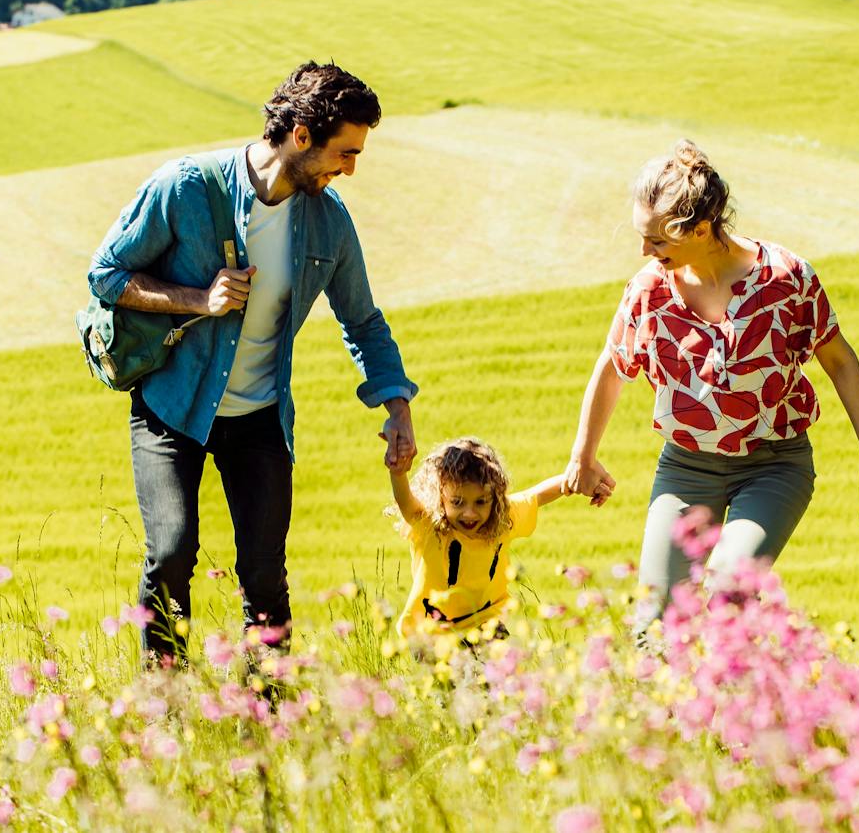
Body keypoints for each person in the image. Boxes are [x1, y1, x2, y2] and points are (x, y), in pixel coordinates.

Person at [87, 61, 419, 665]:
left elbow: (363, 322)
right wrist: (197, 299)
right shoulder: (186, 187)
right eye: (344, 153)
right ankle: (165, 703)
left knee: (264, 574)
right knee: (172, 552)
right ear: (300, 136)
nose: (350, 169)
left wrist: (396, 404)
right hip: (173, 405)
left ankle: (268, 711)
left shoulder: (329, 221)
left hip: (260, 417)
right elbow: (106, 275)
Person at [564, 139, 859, 628]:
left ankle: (748, 697)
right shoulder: (648, 291)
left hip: (774, 467)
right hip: (687, 467)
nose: (644, 252)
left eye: (657, 241)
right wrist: (582, 457)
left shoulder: (786, 279)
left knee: (725, 596)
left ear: (700, 229)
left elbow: (840, 361)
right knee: (656, 622)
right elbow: (612, 366)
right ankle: (677, 705)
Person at [387, 438, 570, 647]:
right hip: (431, 634)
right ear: (440, 498)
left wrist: (575, 478)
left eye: (480, 502)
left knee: (498, 677)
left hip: (488, 625)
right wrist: (398, 472)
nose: (469, 513)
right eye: (457, 502)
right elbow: (406, 502)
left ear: (495, 498)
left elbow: (537, 496)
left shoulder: (502, 519)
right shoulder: (430, 527)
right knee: (451, 680)